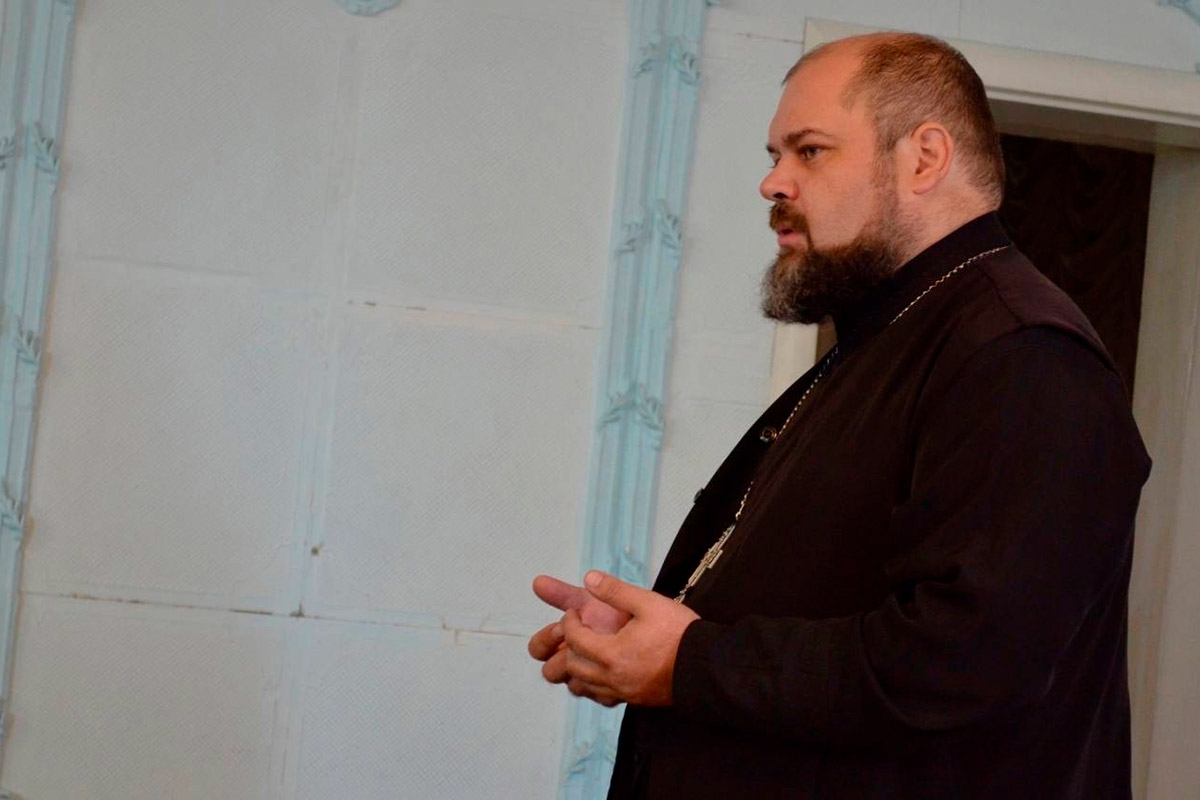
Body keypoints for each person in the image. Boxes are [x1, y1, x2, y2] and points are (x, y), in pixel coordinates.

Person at [528, 31, 1152, 799]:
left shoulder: (1022, 354)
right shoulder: (889, 337)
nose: (772, 182)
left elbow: (965, 662)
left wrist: (691, 664)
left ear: (924, 158)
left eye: (810, 151)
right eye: (774, 155)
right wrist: (661, 637)